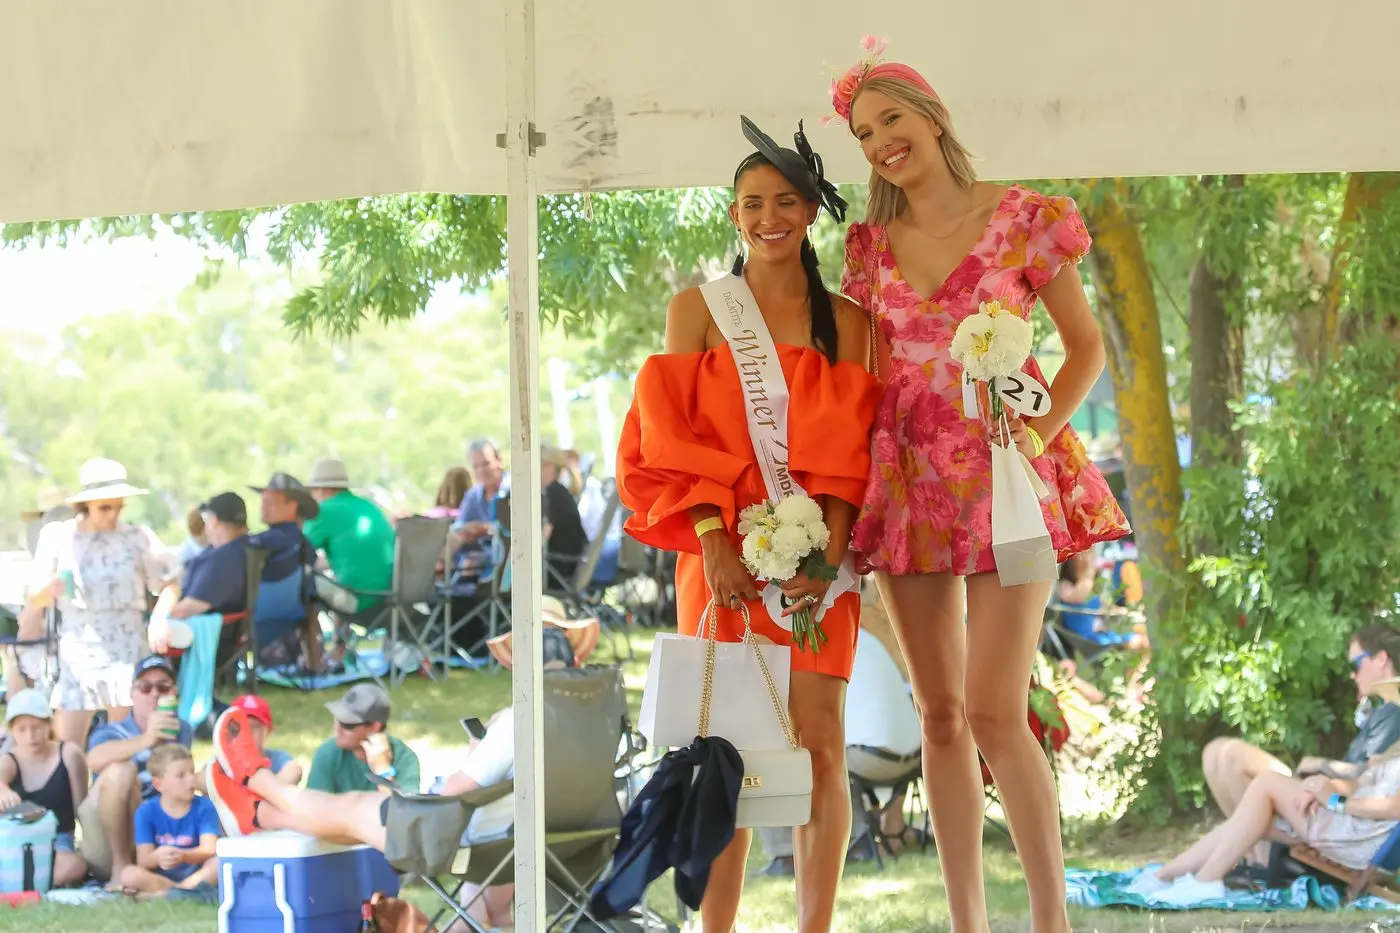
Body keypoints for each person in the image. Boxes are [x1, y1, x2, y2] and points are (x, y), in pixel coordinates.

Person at [833, 44, 1130, 933]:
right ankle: (969, 923)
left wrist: (1035, 436)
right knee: (941, 715)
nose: (881, 142)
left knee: (999, 712)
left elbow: (1087, 348)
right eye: (864, 133)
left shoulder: (1025, 217)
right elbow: (860, 376)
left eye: (892, 119)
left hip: (1010, 486)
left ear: (932, 116)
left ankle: (1050, 920)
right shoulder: (867, 247)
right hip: (909, 484)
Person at [617, 116, 879, 933]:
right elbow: (670, 434)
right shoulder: (697, 310)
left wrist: (827, 559)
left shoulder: (850, 322)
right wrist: (713, 540)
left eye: (786, 202)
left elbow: (853, 450)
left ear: (811, 212)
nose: (770, 217)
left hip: (818, 561)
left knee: (821, 742)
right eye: (753, 203)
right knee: (724, 752)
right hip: (720, 553)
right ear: (734, 214)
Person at [1201, 624, 1400, 867]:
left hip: (1329, 809)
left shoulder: (1394, 712)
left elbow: (1367, 778)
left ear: (1380, 659)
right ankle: (1253, 856)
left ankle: (1262, 860)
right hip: (1322, 793)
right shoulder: (1382, 710)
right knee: (1216, 753)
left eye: (1355, 665)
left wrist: (1320, 767)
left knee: (1231, 757)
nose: (1352, 675)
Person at [16, 458, 178, 745]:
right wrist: (49, 589)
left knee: (125, 742)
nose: (112, 514)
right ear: (86, 505)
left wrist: (160, 617)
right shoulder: (59, 537)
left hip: (127, 643)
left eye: (118, 506)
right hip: (80, 646)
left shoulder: (136, 537)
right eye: (105, 507)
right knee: (67, 746)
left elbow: (170, 582)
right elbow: (34, 596)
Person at [1132, 738, 1400, 904]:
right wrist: (1321, 787)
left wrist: (1333, 801)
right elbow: (1359, 784)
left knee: (1266, 783)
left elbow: (1394, 808)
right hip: (1348, 819)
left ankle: (1205, 881)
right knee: (1251, 812)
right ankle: (1163, 876)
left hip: (1363, 838)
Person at [78, 655, 194, 884]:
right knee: (122, 772)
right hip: (108, 841)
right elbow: (92, 759)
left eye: (163, 687)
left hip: (154, 837)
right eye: (145, 687)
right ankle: (120, 867)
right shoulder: (111, 732)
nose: (154, 694)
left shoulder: (181, 731)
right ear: (132, 694)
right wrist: (147, 739)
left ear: (174, 693)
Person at [0, 689, 89, 887]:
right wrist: (3, 789)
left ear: (49, 724)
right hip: (17, 840)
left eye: (37, 727)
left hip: (58, 840)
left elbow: (82, 808)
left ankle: (28, 880)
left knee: (73, 866)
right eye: (22, 729)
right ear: (13, 730)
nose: (30, 736)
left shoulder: (68, 754)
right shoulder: (10, 760)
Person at [303, 459, 396, 640]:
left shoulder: (323, 511)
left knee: (302, 579)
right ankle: (340, 646)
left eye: (312, 491)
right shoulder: (368, 506)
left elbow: (296, 555)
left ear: (323, 489)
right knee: (333, 580)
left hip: (359, 601)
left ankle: (311, 652)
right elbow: (354, 557)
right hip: (391, 596)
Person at [121, 743, 221, 898]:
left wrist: (182, 856)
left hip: (197, 874)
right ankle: (184, 893)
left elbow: (209, 849)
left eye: (192, 772)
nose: (191, 779)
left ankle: (165, 894)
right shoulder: (146, 812)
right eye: (181, 775)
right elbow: (144, 860)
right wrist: (158, 857)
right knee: (128, 874)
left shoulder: (204, 807)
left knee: (219, 863)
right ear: (158, 784)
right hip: (161, 877)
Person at [306, 684, 421, 794]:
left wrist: (383, 771)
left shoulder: (404, 760)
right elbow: (313, 804)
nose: (337, 729)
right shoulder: (328, 753)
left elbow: (402, 807)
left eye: (347, 725)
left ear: (375, 727)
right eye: (337, 719)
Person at [541, 445, 589, 587]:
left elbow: (542, 537)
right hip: (571, 566)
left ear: (548, 466)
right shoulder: (560, 492)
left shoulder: (552, 495)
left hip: (559, 569)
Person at [228, 694, 302, 785]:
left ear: (267, 731)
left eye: (254, 727)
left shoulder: (276, 760)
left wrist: (273, 788)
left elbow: (294, 770)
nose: (247, 733)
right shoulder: (225, 761)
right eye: (240, 726)